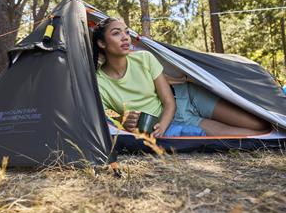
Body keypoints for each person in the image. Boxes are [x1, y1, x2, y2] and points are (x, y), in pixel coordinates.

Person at [92, 17, 270, 137]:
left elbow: (169, 101)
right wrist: (125, 121)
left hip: (187, 97)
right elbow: (110, 119)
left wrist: (161, 125)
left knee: (258, 124)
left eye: (126, 32)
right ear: (101, 43)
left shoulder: (144, 59)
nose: (125, 38)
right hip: (177, 120)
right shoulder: (99, 83)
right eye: (116, 33)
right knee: (252, 133)